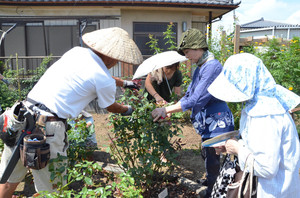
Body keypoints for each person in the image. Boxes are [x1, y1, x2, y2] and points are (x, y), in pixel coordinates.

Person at [0, 27, 143, 197]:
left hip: (21, 115)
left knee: (9, 179)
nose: (117, 63)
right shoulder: (103, 79)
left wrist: (126, 84)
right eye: (118, 60)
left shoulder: (77, 53)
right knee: (53, 190)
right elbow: (111, 106)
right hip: (47, 129)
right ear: (112, 58)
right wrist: (130, 109)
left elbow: (97, 75)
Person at [151, 28, 234, 198]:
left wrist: (166, 109)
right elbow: (188, 95)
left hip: (217, 120)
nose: (186, 55)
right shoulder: (200, 67)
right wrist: (170, 109)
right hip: (208, 120)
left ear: (198, 48)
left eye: (187, 51)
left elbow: (196, 100)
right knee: (206, 154)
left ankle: (214, 191)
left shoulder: (212, 67)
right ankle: (213, 183)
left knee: (212, 158)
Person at [208, 53, 300, 197]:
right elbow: (260, 146)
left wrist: (238, 149)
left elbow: (266, 168)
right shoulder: (265, 104)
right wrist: (230, 145)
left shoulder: (264, 115)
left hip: (270, 191)